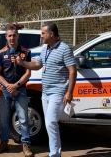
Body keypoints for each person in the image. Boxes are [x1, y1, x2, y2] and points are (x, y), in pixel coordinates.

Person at [12, 23, 77, 157]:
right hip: (45, 92)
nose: (41, 36)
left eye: (43, 34)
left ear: (51, 34)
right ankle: (54, 152)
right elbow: (37, 65)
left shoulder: (65, 49)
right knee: (50, 124)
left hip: (57, 92)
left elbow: (72, 71)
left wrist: (69, 92)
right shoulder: (45, 48)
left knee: (50, 122)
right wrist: (22, 63)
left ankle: (54, 154)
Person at [0, 25, 33, 157]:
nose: (12, 38)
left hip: (20, 90)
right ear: (6, 37)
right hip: (5, 91)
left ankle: (26, 144)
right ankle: (3, 143)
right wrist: (8, 86)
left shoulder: (25, 52)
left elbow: (28, 73)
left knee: (23, 119)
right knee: (4, 119)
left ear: (18, 36)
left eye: (14, 35)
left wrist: (16, 85)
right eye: (9, 35)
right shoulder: (1, 53)